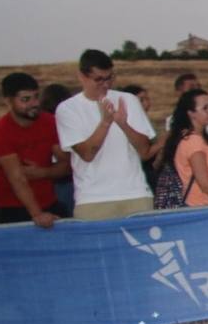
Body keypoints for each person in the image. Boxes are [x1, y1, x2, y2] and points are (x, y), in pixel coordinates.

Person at [54, 49, 157, 220]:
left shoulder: (128, 100)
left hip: (135, 194)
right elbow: (87, 154)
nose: (106, 84)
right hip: (93, 199)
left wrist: (123, 124)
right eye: (99, 79)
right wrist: (105, 122)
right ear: (82, 76)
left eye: (109, 77)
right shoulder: (67, 109)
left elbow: (144, 150)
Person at [0, 72, 71, 227]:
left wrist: (43, 172)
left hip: (51, 203)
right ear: (8, 101)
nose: (34, 103)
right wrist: (37, 214)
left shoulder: (49, 122)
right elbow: (18, 179)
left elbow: (67, 165)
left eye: (36, 97)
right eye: (25, 99)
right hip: (15, 209)